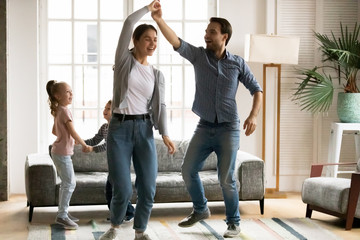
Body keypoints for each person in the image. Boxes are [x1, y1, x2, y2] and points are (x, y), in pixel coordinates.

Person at [152, 2, 263, 238]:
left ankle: (233, 223)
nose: (206, 35)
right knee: (187, 170)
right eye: (206, 31)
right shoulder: (199, 56)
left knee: (226, 178)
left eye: (211, 32)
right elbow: (176, 42)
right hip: (204, 126)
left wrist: (253, 115)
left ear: (224, 36)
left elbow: (257, 89)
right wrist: (159, 20)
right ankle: (201, 209)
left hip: (229, 128)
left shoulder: (237, 63)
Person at [99, 1, 175, 240]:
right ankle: (114, 228)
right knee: (121, 188)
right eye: (147, 39)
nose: (152, 43)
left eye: (155, 39)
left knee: (148, 189)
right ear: (135, 39)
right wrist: (148, 9)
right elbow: (129, 22)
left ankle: (140, 231)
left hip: (144, 130)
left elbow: (160, 105)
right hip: (119, 128)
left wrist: (165, 133)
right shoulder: (124, 62)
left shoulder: (156, 74)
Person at [46, 80, 91, 230]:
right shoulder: (65, 111)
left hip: (59, 151)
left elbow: (55, 131)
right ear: (57, 96)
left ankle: (63, 212)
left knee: (67, 183)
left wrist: (68, 138)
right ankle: (62, 215)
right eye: (67, 92)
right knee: (70, 183)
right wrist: (84, 144)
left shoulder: (59, 109)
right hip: (62, 153)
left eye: (71, 91)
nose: (71, 94)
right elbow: (71, 131)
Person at [83, 100, 135, 223]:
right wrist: (80, 141)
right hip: (113, 165)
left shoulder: (119, 127)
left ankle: (126, 213)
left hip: (121, 164)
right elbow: (95, 140)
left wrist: (93, 149)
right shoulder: (105, 127)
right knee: (111, 191)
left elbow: (107, 145)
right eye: (105, 108)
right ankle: (120, 214)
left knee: (116, 190)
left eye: (108, 109)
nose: (105, 111)